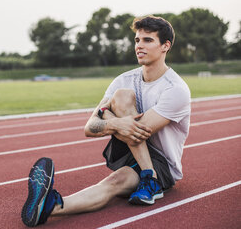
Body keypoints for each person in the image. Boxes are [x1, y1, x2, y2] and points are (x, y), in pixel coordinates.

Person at [21, 15, 191, 227]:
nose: (139, 46)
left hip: (161, 161)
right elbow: (90, 127)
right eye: (137, 40)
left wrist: (107, 117)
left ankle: (51, 206)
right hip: (128, 149)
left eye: (148, 40)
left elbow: (138, 132)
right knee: (121, 95)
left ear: (165, 46)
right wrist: (115, 123)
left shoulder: (175, 89)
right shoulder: (124, 79)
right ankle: (149, 178)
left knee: (114, 182)